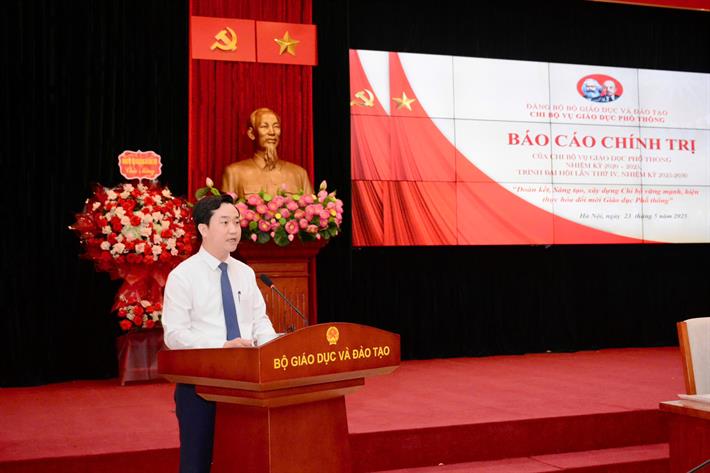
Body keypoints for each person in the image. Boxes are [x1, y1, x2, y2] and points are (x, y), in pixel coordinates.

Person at [162, 194, 276, 473]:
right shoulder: (183, 276)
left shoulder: (245, 272)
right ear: (203, 228)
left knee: (244, 460)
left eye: (236, 222)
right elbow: (174, 334)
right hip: (201, 384)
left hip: (247, 383)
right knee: (197, 463)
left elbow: (259, 321)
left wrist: (273, 349)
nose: (234, 229)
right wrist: (221, 346)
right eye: (224, 222)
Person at [222, 107, 314, 198]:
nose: (272, 132)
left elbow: (311, 205)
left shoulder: (299, 174)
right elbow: (227, 207)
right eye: (264, 127)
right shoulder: (234, 173)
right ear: (251, 133)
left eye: (276, 126)